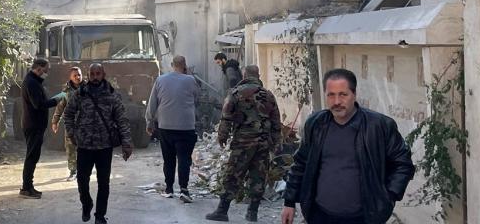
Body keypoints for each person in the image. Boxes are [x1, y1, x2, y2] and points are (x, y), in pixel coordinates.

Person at [280, 69, 415, 224]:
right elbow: (301, 164)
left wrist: (388, 197)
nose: (337, 101)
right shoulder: (316, 124)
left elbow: (403, 164)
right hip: (319, 215)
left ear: (354, 94)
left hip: (363, 218)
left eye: (343, 94)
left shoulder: (379, 126)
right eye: (331, 95)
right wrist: (289, 202)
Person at [206, 65, 281, 223]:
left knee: (233, 175)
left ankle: (222, 211)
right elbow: (276, 121)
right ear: (258, 75)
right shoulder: (268, 95)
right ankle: (252, 212)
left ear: (244, 75)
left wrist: (222, 136)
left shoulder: (235, 93)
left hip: (243, 143)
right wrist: (274, 142)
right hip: (263, 143)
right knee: (258, 176)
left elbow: (226, 117)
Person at [64, 63, 133, 224]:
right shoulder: (80, 93)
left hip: (104, 146)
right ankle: (86, 203)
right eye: (92, 74)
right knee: (82, 180)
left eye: (98, 73)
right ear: (88, 75)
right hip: (84, 145)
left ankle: (100, 216)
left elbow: (121, 120)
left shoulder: (111, 94)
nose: (95, 77)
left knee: (103, 183)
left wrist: (126, 143)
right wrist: (71, 133)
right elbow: (68, 114)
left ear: (103, 75)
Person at [145, 55, 199, 203]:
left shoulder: (161, 80)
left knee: (168, 159)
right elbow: (196, 98)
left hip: (166, 126)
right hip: (186, 127)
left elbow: (152, 102)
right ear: (185, 65)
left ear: (172, 65)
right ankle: (184, 189)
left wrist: (149, 121)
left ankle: (169, 188)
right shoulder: (191, 80)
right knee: (184, 159)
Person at [19, 57, 64, 199]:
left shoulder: (34, 81)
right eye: (46, 70)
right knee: (32, 157)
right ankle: (26, 188)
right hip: (33, 125)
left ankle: (28, 187)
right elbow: (39, 104)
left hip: (34, 124)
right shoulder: (32, 83)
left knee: (33, 156)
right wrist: (57, 99)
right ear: (39, 68)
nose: (47, 73)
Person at [52, 67, 83, 180]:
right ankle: (73, 171)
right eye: (75, 75)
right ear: (70, 77)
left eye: (79, 75)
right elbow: (60, 107)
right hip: (70, 124)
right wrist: (55, 121)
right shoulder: (66, 92)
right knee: (70, 148)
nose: (77, 77)